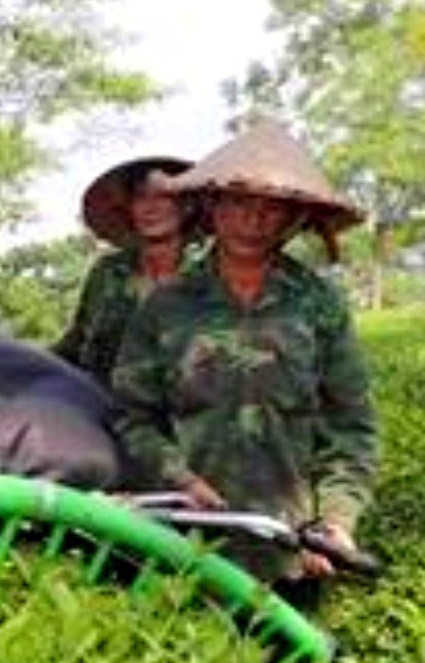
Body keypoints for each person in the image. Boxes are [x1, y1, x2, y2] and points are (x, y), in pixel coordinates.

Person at [109, 118, 379, 586]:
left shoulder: (318, 304)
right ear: (212, 206)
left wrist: (335, 522)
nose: (253, 220)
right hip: (187, 547)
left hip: (293, 551)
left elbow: (350, 426)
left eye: (271, 208)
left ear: (294, 218)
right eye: (238, 202)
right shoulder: (165, 306)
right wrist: (180, 479)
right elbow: (133, 415)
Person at [54, 151, 194, 389]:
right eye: (141, 198)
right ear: (129, 208)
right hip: (103, 406)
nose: (151, 208)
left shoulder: (211, 270)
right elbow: (76, 342)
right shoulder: (108, 271)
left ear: (187, 206)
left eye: (164, 197)